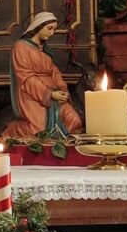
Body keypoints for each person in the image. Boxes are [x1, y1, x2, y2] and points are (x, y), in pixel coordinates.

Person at [6, 11, 83, 139]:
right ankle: (12, 130)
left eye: (54, 29)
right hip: (31, 93)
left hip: (54, 94)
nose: (52, 33)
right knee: (39, 130)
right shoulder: (20, 47)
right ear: (38, 26)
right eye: (49, 28)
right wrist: (49, 94)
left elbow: (54, 72)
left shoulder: (45, 50)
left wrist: (63, 91)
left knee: (74, 121)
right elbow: (26, 77)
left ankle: (59, 145)